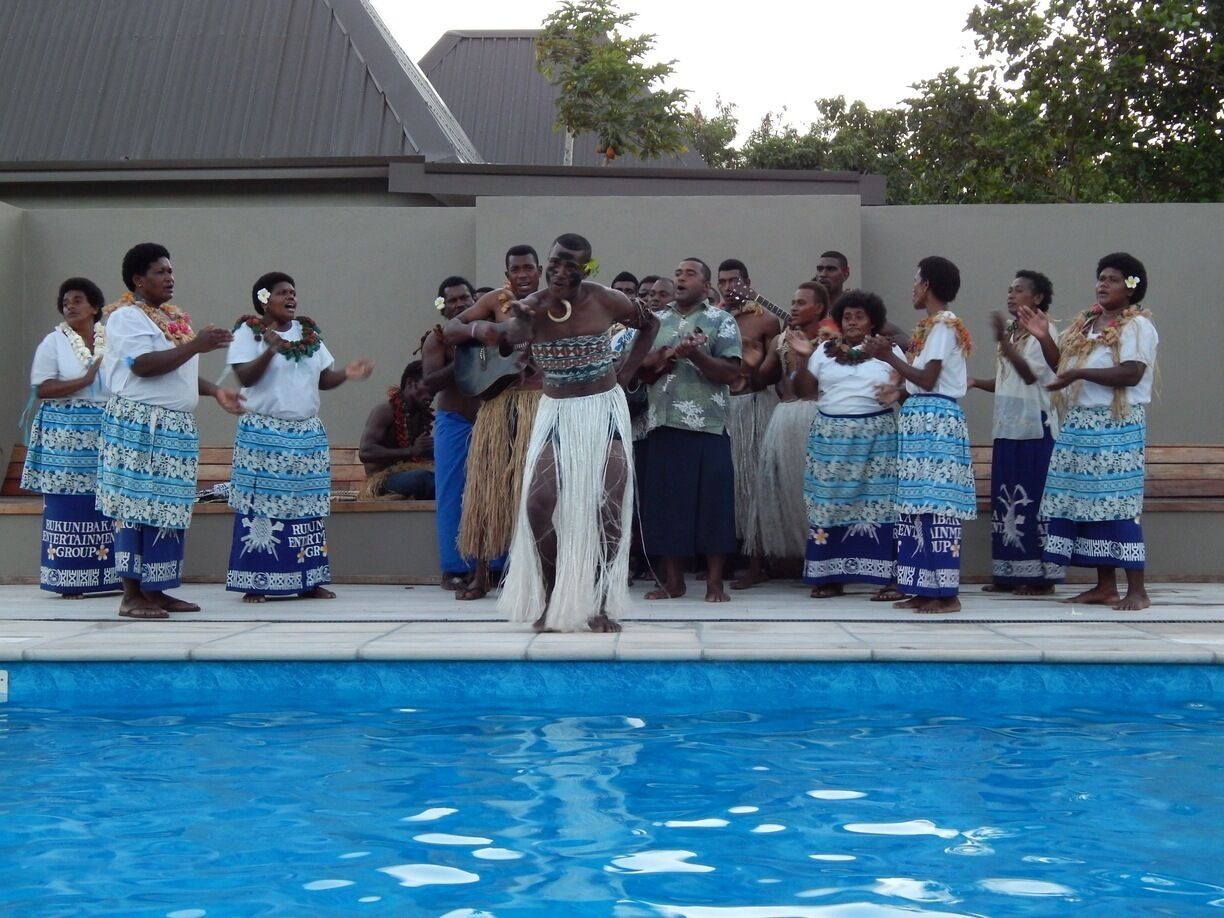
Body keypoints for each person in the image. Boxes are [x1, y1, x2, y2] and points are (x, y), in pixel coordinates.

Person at [473, 233, 658, 632]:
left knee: (609, 507)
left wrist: (626, 374)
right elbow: (509, 342)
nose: (561, 270)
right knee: (538, 505)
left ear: (585, 268)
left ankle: (603, 602)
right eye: (555, 262)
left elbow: (650, 322)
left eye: (571, 264)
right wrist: (520, 317)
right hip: (556, 413)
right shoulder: (533, 307)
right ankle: (555, 596)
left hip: (603, 409)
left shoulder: (607, 299)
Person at [97, 243, 244, 619]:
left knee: (168, 509)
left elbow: (179, 369)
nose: (170, 277)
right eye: (161, 271)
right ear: (138, 279)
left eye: (171, 271)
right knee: (136, 507)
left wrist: (215, 391)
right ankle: (131, 596)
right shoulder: (125, 317)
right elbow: (144, 366)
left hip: (173, 426)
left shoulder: (167, 318)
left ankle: (156, 590)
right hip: (140, 424)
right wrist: (197, 344)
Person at [224, 272, 373, 603]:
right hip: (263, 432)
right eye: (282, 293)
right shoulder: (249, 333)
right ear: (265, 299)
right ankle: (256, 581)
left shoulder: (308, 335)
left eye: (293, 292)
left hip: (305, 434)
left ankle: (309, 578)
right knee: (260, 507)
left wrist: (346, 374)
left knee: (307, 507)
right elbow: (244, 375)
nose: (291, 297)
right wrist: (269, 350)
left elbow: (323, 379)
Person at [1028, 252, 1157, 611]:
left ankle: (1137, 589)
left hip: (1116, 424)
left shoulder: (1137, 326)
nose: (1103, 284)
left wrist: (1080, 374)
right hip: (1081, 424)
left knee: (1118, 504)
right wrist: (1042, 338)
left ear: (1131, 287)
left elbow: (1132, 372)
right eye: (1101, 277)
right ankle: (1104, 587)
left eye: (1113, 279)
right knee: (1089, 506)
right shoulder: (1087, 325)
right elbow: (1064, 366)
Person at [862, 256, 975, 614]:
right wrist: (898, 391)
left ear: (927, 285)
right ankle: (924, 587)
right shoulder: (929, 328)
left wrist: (889, 357)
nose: (912, 287)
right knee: (916, 506)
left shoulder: (944, 324)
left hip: (937, 422)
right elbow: (920, 384)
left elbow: (929, 379)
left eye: (915, 280)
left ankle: (947, 594)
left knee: (937, 505)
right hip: (921, 420)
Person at [786, 290, 904, 599]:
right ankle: (830, 576)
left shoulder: (888, 351)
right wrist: (801, 357)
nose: (852, 322)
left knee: (880, 505)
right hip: (831, 439)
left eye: (859, 316)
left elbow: (907, 389)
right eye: (847, 317)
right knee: (829, 505)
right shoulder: (823, 351)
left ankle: (890, 577)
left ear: (873, 322)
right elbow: (804, 391)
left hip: (876, 439)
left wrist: (896, 391)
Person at [442, 244, 543, 600]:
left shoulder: (555, 304)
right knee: (486, 490)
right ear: (507, 273)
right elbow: (452, 329)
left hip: (540, 404)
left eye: (528, 268)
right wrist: (478, 331)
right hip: (498, 408)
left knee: (536, 492)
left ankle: (537, 575)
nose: (522, 275)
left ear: (540, 270)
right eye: (516, 269)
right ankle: (480, 576)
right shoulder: (495, 301)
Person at [638, 258, 742, 602]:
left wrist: (695, 356)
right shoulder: (656, 321)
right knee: (668, 504)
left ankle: (714, 583)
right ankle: (673, 581)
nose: (680, 277)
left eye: (690, 274)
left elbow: (729, 373)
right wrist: (666, 357)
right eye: (678, 272)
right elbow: (642, 371)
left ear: (706, 286)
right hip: (663, 423)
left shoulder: (720, 320)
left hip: (707, 426)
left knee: (712, 505)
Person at [968, 270, 1063, 594]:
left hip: (1035, 431)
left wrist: (1002, 343)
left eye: (1019, 291)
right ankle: (1009, 572)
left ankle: (1041, 579)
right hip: (1007, 430)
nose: (1010, 296)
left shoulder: (1043, 332)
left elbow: (1027, 375)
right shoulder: (1013, 333)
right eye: (1009, 290)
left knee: (1032, 502)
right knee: (1006, 501)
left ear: (1037, 298)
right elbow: (1007, 381)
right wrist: (976, 383)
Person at [20, 278, 117, 597]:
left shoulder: (112, 339)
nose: (69, 305)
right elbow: (42, 389)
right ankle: (70, 579)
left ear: (94, 307)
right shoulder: (53, 342)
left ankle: (111, 576)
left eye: (77, 300)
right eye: (65, 301)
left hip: (105, 432)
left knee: (106, 500)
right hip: (65, 435)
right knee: (70, 501)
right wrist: (85, 379)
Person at [751, 282, 831, 567]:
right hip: (783, 419)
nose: (794, 307)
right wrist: (754, 352)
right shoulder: (780, 341)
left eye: (801, 302)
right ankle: (760, 566)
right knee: (772, 490)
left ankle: (820, 560)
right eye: (793, 302)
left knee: (815, 494)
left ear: (819, 308)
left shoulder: (832, 343)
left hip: (818, 418)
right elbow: (760, 378)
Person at [716, 258, 784, 589]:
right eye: (723, 282)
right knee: (728, 486)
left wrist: (754, 366)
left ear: (748, 282)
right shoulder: (715, 319)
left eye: (734, 281)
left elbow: (776, 370)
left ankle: (757, 562)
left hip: (756, 404)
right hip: (723, 407)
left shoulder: (767, 321)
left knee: (755, 485)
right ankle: (726, 558)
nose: (728, 288)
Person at [422, 276, 484, 591]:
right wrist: (462, 357)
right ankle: (454, 567)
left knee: (492, 491)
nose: (460, 304)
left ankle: (494, 564)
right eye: (453, 301)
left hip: (489, 422)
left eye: (465, 298)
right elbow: (430, 382)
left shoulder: (488, 332)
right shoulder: (437, 340)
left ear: (475, 299)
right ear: (443, 308)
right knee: (451, 494)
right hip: (454, 421)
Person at [357, 361, 435, 499]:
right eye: (429, 387)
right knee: (422, 479)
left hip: (410, 471)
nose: (432, 395)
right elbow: (365, 452)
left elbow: (419, 453)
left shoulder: (420, 414)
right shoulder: (384, 411)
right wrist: (411, 451)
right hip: (382, 479)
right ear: (410, 383)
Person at [815, 249, 910, 350]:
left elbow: (904, 339)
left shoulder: (856, 306)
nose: (823, 274)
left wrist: (873, 347)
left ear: (846, 274)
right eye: (820, 269)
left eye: (831, 269)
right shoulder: (808, 307)